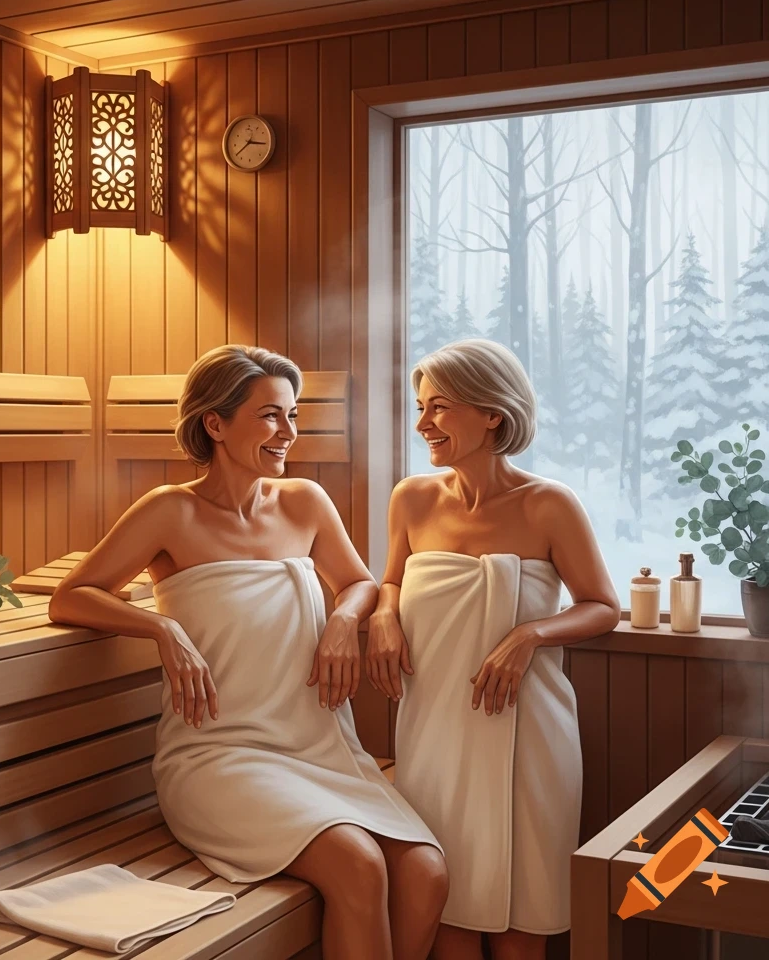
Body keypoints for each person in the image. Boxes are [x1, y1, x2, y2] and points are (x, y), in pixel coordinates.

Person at [49, 345, 448, 960]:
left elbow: (362, 582)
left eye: (292, 416)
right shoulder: (169, 512)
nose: (288, 433)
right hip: (220, 757)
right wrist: (163, 630)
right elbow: (71, 596)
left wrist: (345, 616)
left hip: (315, 749)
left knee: (425, 873)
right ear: (215, 424)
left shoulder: (304, 503)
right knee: (359, 865)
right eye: (270, 416)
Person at [366, 338, 618, 960]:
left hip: (529, 729)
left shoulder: (548, 504)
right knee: (449, 910)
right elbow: (392, 577)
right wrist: (384, 613)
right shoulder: (412, 498)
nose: (422, 423)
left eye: (439, 408)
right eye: (420, 407)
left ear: (492, 416)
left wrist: (530, 634)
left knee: (519, 926)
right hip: (434, 729)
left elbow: (602, 606)